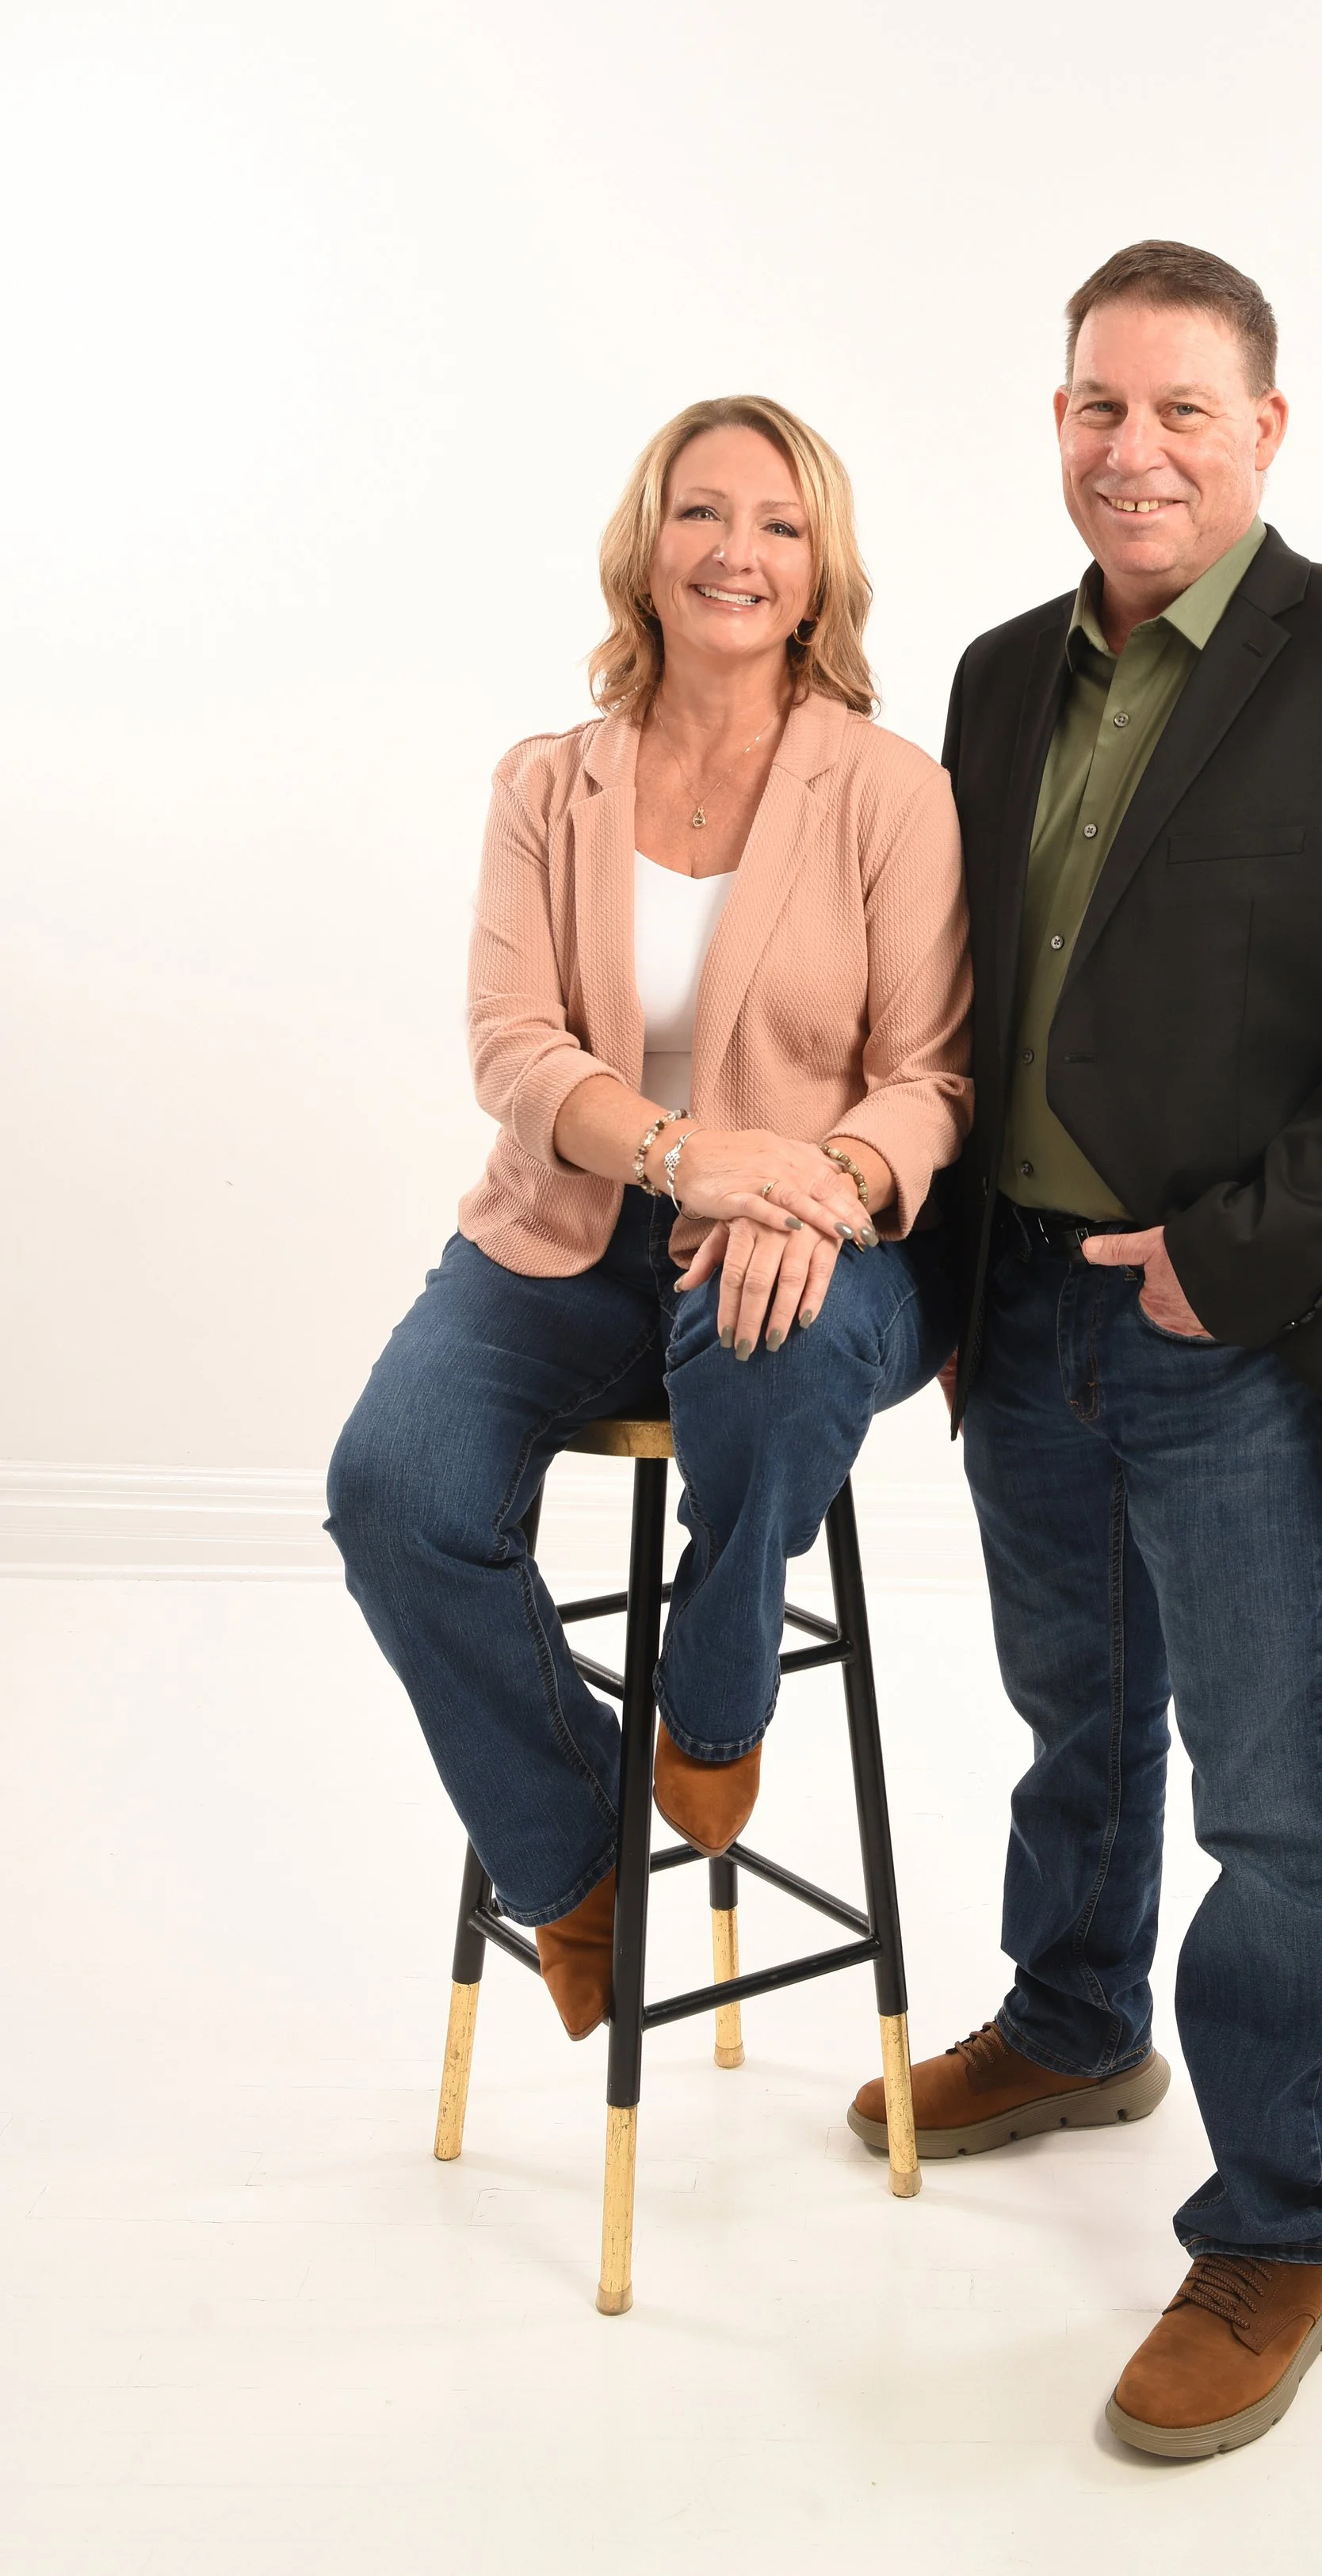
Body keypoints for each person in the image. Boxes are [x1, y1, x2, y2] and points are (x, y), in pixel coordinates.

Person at [847, 242, 1322, 2460]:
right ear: (1055, 422)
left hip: (1221, 1323)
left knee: (1276, 1796)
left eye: (1178, 412)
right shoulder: (990, 675)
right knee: (1074, 1707)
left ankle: (1278, 2224)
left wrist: (1223, 1261)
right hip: (1015, 1299)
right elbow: (950, 996)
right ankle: (1070, 2020)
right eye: (1093, 408)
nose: (1130, 450)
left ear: (1265, 431)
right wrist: (942, 1274)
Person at [329, 395, 969, 2043]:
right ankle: (573, 1851)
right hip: (560, 1232)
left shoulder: (890, 790)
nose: (734, 552)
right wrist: (693, 1158)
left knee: (765, 1340)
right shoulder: (551, 783)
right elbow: (512, 1047)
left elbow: (934, 1073)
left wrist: (816, 1186)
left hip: (829, 1241)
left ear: (819, 571)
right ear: (646, 546)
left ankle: (714, 1688)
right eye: (700, 513)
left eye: (775, 522)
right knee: (390, 1488)